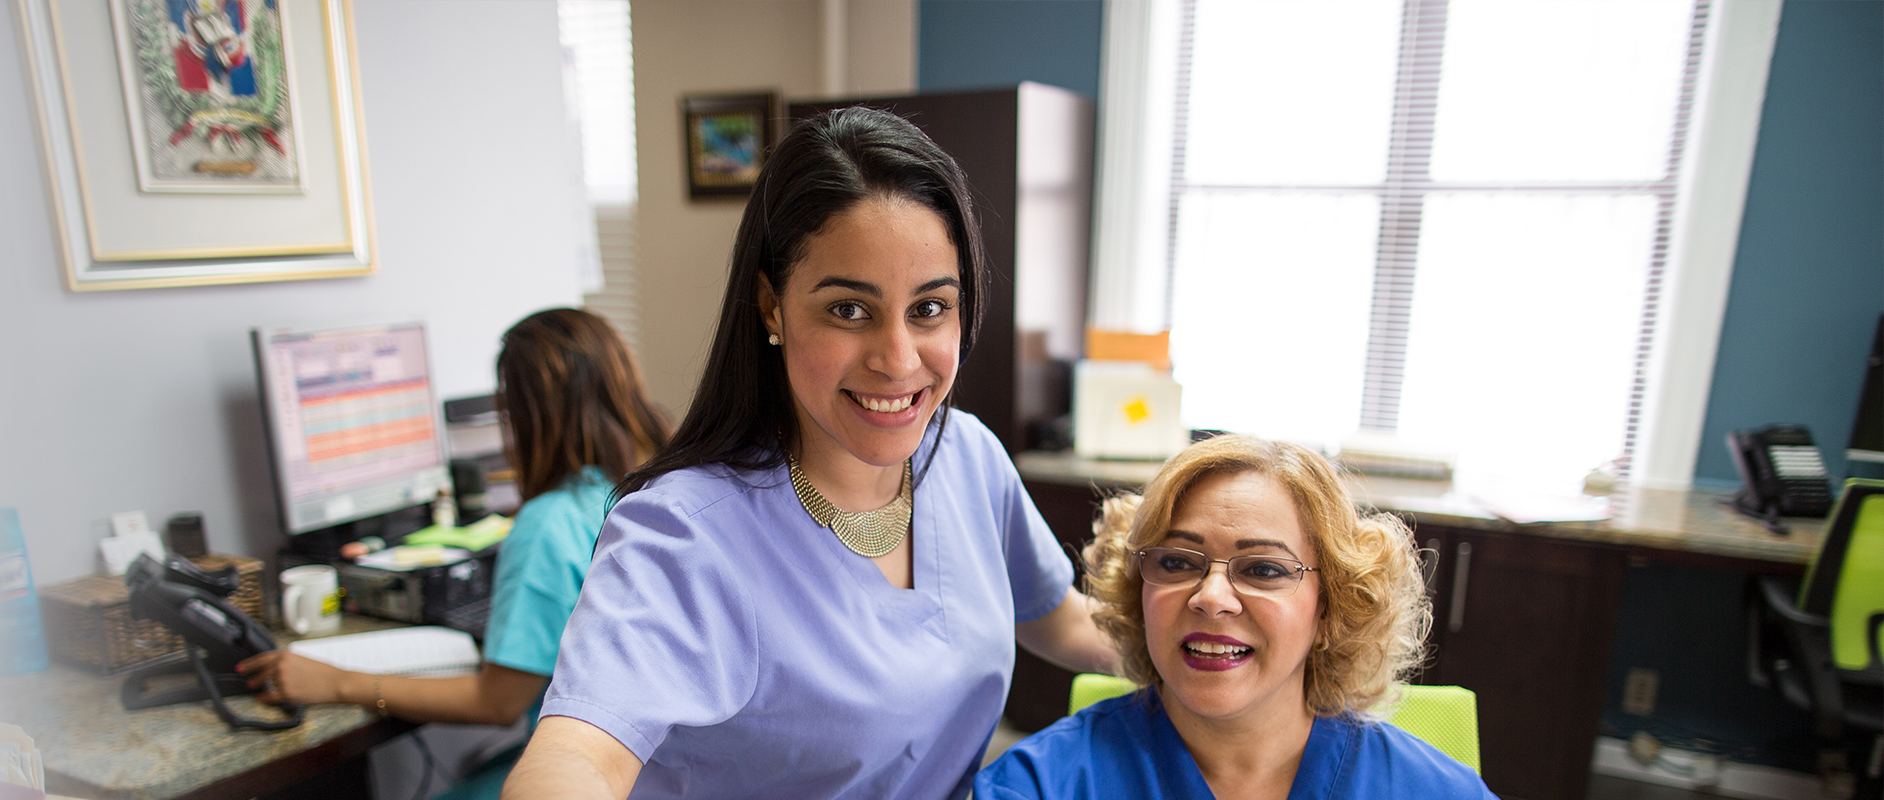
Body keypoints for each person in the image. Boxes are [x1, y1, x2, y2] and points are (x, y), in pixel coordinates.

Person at [500, 107, 1118, 800]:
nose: (897, 359)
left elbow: (1059, 620)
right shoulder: (682, 534)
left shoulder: (966, 454)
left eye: (929, 308)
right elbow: (577, 756)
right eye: (849, 310)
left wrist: (1216, 656)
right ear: (771, 307)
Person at [238, 308, 668, 800]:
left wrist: (337, 684)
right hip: (658, 761)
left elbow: (498, 702)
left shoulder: (550, 523)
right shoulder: (662, 478)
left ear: (524, 416)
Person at [974, 435, 1491, 799]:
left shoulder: (1440, 791)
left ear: (1331, 606)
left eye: (1264, 569)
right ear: (1137, 593)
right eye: (1176, 562)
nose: (1212, 597)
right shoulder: (1038, 785)